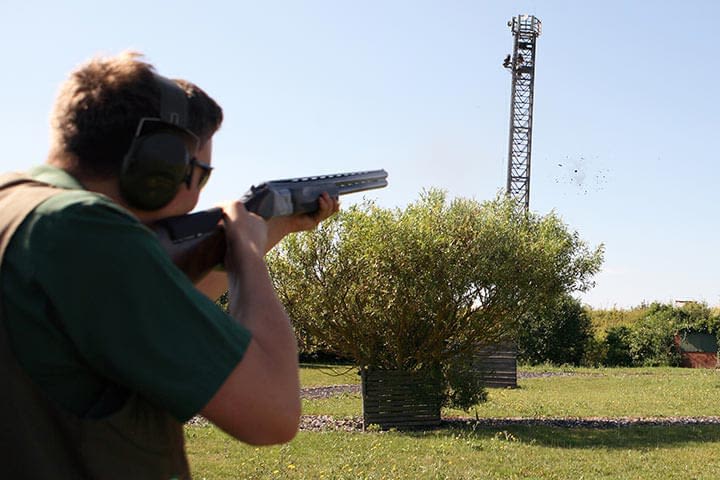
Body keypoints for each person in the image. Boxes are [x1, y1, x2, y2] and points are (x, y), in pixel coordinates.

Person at [0, 51, 338, 479]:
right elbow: (272, 412)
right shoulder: (83, 230)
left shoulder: (22, 210)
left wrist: (269, 231)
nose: (198, 192)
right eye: (200, 172)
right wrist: (248, 258)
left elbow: (157, 308)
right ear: (159, 167)